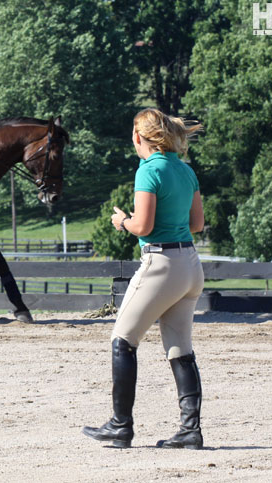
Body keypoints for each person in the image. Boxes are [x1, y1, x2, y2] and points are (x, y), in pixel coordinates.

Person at [82, 108, 206, 449]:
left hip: (160, 264)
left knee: (123, 339)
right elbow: (197, 224)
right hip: (191, 266)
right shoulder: (185, 170)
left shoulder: (148, 171)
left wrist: (123, 221)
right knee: (180, 349)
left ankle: (121, 426)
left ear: (139, 137)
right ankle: (190, 430)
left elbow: (144, 228)